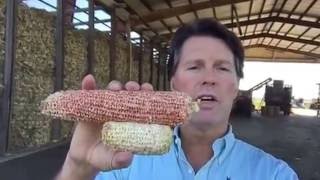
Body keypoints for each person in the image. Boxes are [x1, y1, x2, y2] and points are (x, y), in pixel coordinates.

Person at [55, 18, 298, 180]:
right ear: (173, 83)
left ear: (236, 87)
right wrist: (77, 169)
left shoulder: (275, 174)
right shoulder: (122, 164)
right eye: (194, 67)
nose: (209, 78)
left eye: (222, 68)